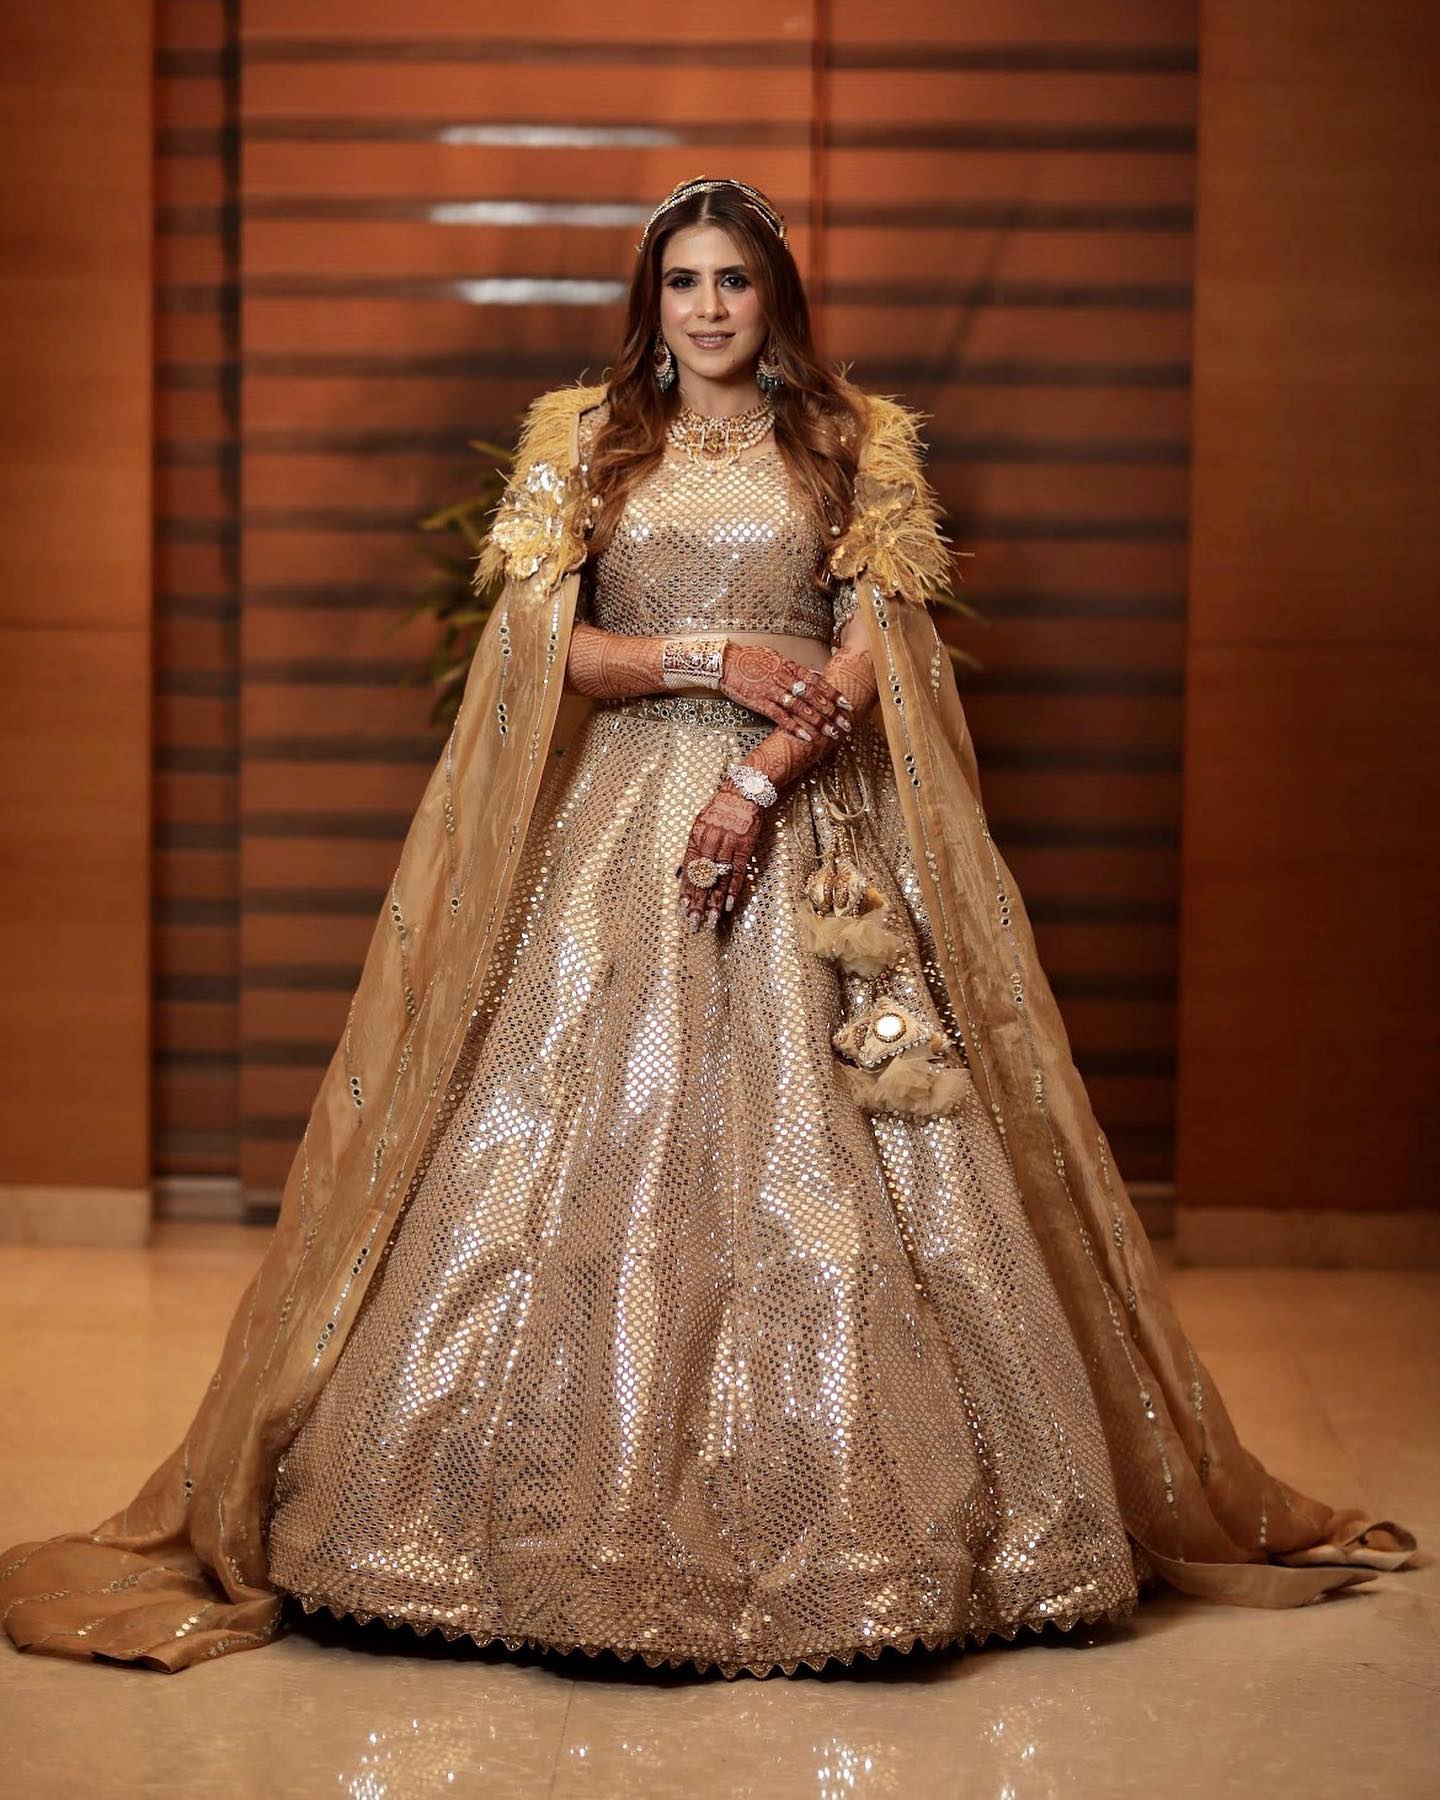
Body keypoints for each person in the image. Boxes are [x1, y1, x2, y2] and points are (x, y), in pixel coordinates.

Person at [0, 175, 1416, 1678]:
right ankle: (512, 1525)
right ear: (651, 302)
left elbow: (874, 650)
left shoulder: (856, 444)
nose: (710, 308)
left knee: (852, 1159)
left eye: (735, 280)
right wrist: (706, 659)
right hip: (620, 830)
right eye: (683, 282)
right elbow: (548, 647)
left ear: (774, 298)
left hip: (809, 826)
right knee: (575, 1143)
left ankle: (876, 1531)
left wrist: (758, 770)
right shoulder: (582, 440)